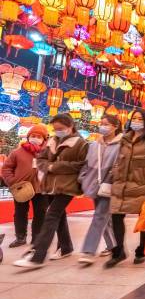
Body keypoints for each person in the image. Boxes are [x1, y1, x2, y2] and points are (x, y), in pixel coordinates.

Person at [14, 114, 88, 268]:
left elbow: (81, 164)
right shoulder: (52, 141)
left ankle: (38, 255)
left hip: (68, 186)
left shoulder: (80, 144)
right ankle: (66, 247)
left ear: (70, 126)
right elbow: (41, 159)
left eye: (60, 129)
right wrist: (47, 166)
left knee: (51, 215)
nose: (57, 131)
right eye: (55, 129)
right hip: (49, 185)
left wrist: (54, 167)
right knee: (59, 216)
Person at [107, 109, 145, 268]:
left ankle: (142, 250)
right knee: (115, 216)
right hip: (121, 184)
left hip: (144, 185)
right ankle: (118, 251)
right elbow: (116, 159)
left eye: (139, 119)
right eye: (133, 118)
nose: (135, 121)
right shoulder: (123, 139)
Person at [77, 114, 123, 265]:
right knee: (104, 218)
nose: (102, 126)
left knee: (99, 216)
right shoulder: (94, 145)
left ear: (115, 127)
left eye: (106, 124)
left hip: (111, 185)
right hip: (94, 185)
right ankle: (114, 246)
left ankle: (88, 251)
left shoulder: (122, 145)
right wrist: (83, 178)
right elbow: (86, 164)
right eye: (101, 123)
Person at [1, 124, 49, 247]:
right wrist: (12, 181)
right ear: (28, 137)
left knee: (41, 213)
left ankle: (37, 238)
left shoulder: (49, 152)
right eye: (33, 135)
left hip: (41, 188)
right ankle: (20, 238)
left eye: (39, 136)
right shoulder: (17, 152)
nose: (35, 138)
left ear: (44, 139)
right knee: (20, 212)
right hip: (21, 188)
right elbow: (6, 168)